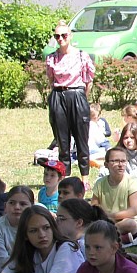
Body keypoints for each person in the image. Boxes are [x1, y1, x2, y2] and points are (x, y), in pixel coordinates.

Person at [45, 20, 95, 180]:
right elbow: (50, 80)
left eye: (64, 35)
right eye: (57, 36)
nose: (60, 39)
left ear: (70, 36)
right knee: (62, 141)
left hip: (77, 95)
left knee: (82, 139)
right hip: (58, 96)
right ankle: (65, 177)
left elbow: (89, 81)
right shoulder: (52, 58)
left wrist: (80, 97)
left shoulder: (81, 55)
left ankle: (84, 178)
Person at [90, 146, 137, 243]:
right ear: (106, 164)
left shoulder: (132, 182)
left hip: (128, 220)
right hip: (106, 220)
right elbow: (94, 206)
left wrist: (111, 216)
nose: (120, 165)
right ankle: (117, 237)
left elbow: (134, 211)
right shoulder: (100, 183)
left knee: (130, 224)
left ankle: (105, 235)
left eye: (123, 161)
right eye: (115, 161)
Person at [0, 185, 34, 270]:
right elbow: (4, 266)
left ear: (32, 207)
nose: (16, 207)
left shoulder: (39, 224)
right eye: (12, 203)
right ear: (5, 206)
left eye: (23, 204)